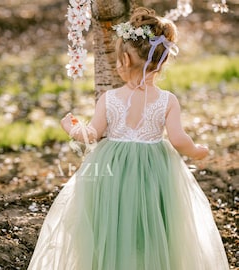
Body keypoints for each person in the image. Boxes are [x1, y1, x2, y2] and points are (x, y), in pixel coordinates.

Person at [28, 7, 229, 270]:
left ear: (123, 61)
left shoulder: (109, 98)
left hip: (111, 171)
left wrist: (72, 128)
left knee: (112, 221)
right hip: (155, 169)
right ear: (162, 62)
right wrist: (197, 151)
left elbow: (92, 135)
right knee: (155, 222)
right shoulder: (168, 101)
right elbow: (179, 139)